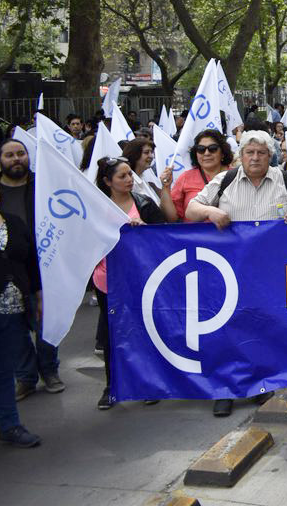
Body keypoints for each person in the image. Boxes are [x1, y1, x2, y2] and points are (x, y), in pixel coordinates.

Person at [184, 132, 287, 416]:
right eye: (249, 152)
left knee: (263, 327)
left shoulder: (286, 181)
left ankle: (259, 384)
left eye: (261, 153)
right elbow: (191, 210)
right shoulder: (224, 181)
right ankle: (225, 389)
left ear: (270, 156)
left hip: (272, 271)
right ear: (240, 156)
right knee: (227, 330)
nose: (255, 158)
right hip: (230, 272)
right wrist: (210, 211)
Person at [93, 156, 167, 411]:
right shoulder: (96, 208)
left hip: (141, 281)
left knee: (144, 330)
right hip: (107, 281)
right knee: (113, 334)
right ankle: (111, 386)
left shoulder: (144, 203)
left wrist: (144, 228)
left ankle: (147, 383)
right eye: (122, 176)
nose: (128, 180)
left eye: (129, 175)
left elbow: (164, 236)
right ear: (107, 181)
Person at [0, 139, 63, 402]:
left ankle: (49, 370)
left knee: (46, 321)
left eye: (21, 154)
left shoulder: (42, 185)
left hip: (44, 263)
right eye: (10, 155)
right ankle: (26, 377)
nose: (16, 159)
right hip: (8, 269)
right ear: (0, 160)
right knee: (15, 328)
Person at [0, 186, 42, 447]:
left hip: (13, 311)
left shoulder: (13, 222)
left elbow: (30, 261)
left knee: (3, 371)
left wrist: (37, 294)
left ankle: (9, 425)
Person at [173, 129, 234, 222]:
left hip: (231, 234)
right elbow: (172, 217)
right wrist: (165, 187)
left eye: (213, 148)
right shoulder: (185, 178)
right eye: (201, 149)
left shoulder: (237, 176)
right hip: (194, 235)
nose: (206, 153)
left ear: (223, 152)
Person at [123, 138, 178, 221]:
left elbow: (165, 214)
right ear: (134, 154)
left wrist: (165, 187)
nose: (151, 156)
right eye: (146, 152)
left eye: (152, 152)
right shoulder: (127, 184)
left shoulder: (145, 181)